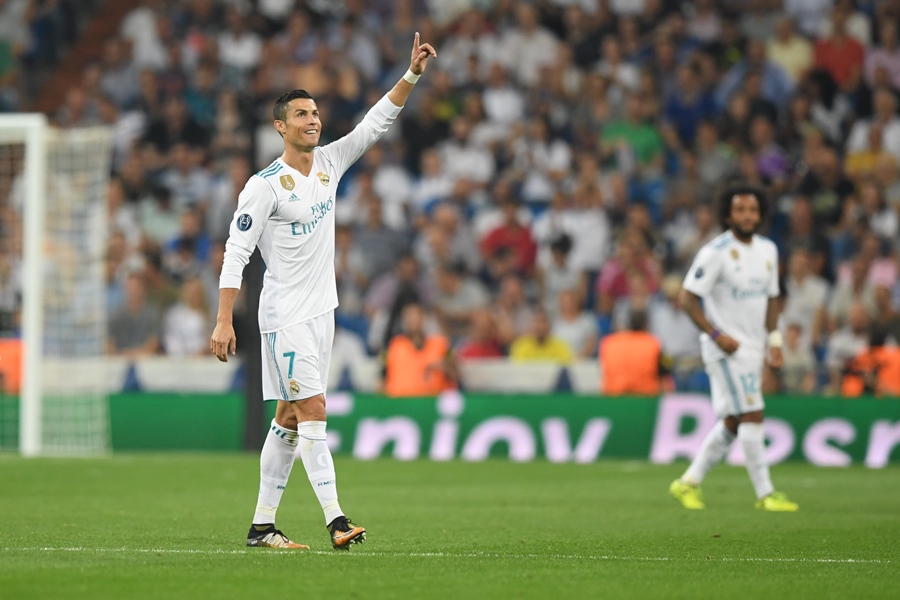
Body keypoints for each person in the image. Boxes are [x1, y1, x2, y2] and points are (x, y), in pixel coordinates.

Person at [209, 33, 437, 550]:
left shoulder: (331, 163)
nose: (312, 120)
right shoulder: (264, 185)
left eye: (315, 113)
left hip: (322, 313)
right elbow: (235, 251)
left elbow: (376, 122)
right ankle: (336, 520)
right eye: (301, 115)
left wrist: (413, 74)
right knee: (312, 410)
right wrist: (224, 319)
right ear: (280, 127)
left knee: (288, 418)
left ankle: (262, 526)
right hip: (284, 314)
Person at [669, 185, 799, 512]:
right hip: (727, 348)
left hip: (755, 346)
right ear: (728, 214)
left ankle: (688, 482)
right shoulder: (716, 252)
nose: (747, 216)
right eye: (740, 210)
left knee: (733, 421)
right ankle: (765, 494)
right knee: (753, 412)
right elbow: (687, 298)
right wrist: (715, 334)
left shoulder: (768, 250)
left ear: (760, 214)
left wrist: (775, 340)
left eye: (752, 210)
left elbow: (772, 299)